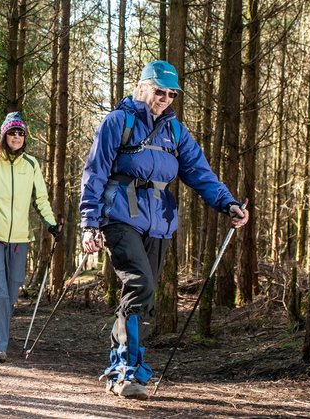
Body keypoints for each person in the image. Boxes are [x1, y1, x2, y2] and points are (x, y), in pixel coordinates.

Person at [78, 60, 249, 400]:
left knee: (144, 295)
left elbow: (199, 172)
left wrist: (227, 203)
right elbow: (94, 172)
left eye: (171, 94)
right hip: (120, 218)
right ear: (142, 87)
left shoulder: (175, 132)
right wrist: (88, 222)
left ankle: (127, 365)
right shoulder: (118, 122)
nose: (165, 99)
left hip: (159, 223)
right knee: (139, 284)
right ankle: (125, 370)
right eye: (160, 91)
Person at [0, 112, 60, 363]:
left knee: (11, 291)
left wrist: (51, 224)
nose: (16, 137)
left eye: (20, 133)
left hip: (20, 238)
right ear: (4, 135)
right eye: (12, 132)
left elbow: (40, 198)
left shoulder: (31, 165)